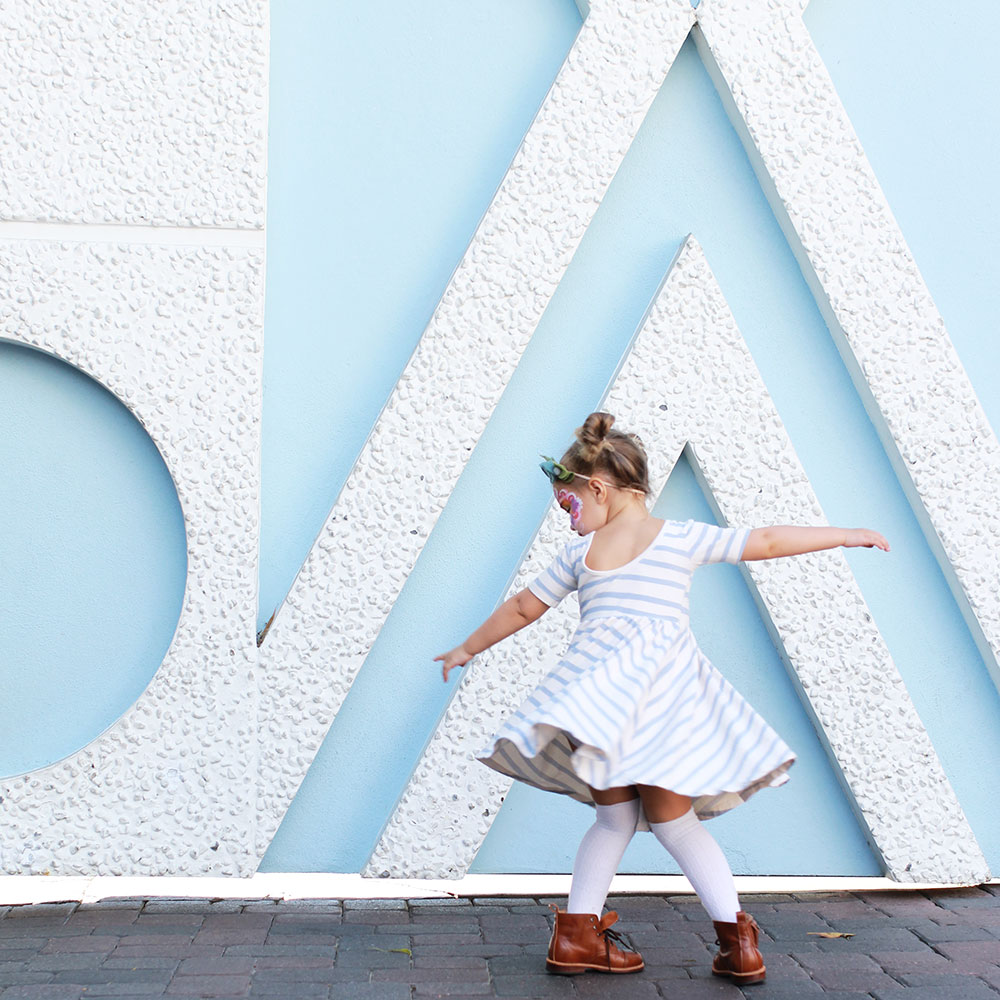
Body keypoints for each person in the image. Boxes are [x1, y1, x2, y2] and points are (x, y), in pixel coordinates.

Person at [436, 412, 889, 981]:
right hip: (662, 714)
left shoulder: (581, 558)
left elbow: (525, 607)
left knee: (611, 823)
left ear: (597, 489)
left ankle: (576, 936)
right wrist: (845, 534)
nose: (568, 518)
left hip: (600, 712)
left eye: (568, 505)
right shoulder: (680, 537)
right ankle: (738, 945)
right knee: (678, 826)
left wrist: (466, 648)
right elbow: (767, 541)